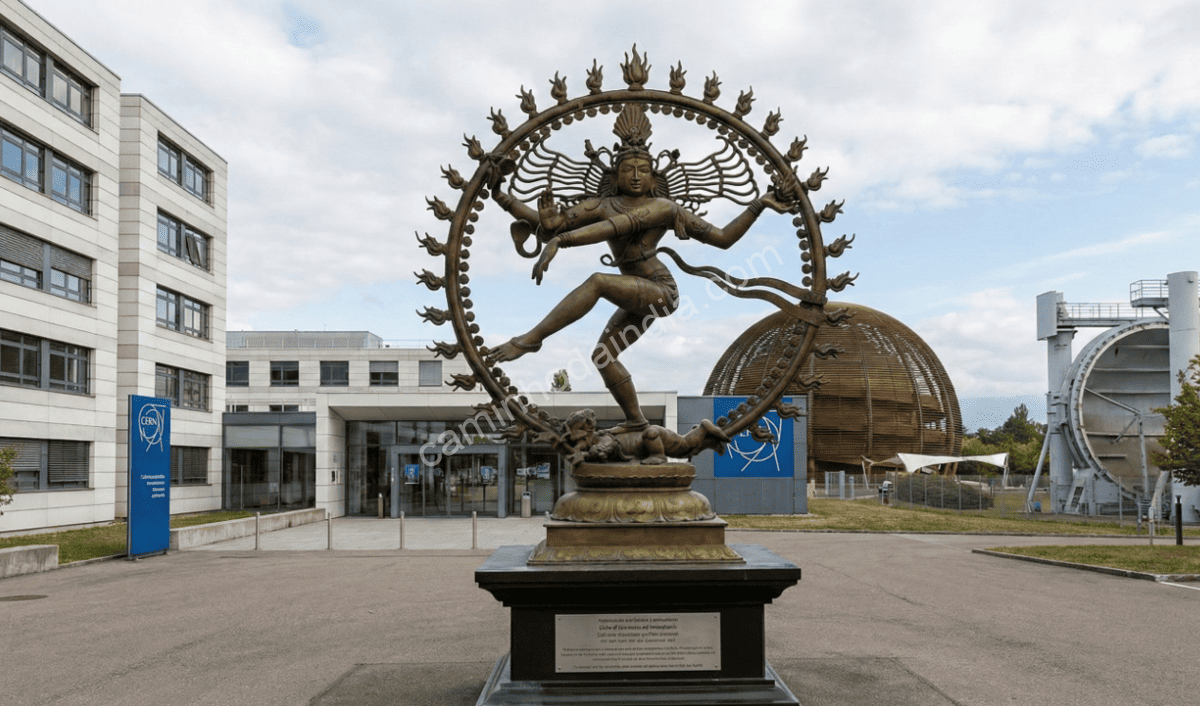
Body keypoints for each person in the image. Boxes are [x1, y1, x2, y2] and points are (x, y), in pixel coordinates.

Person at [489, 108, 790, 434]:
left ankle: (531, 339)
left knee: (598, 283)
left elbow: (722, 238)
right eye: (628, 169)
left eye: (643, 170)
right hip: (635, 292)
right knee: (604, 356)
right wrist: (500, 195)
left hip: (660, 291)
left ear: (653, 176)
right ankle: (636, 421)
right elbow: (545, 222)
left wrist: (760, 204)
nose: (635, 176)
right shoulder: (602, 204)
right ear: (615, 175)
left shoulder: (664, 207)